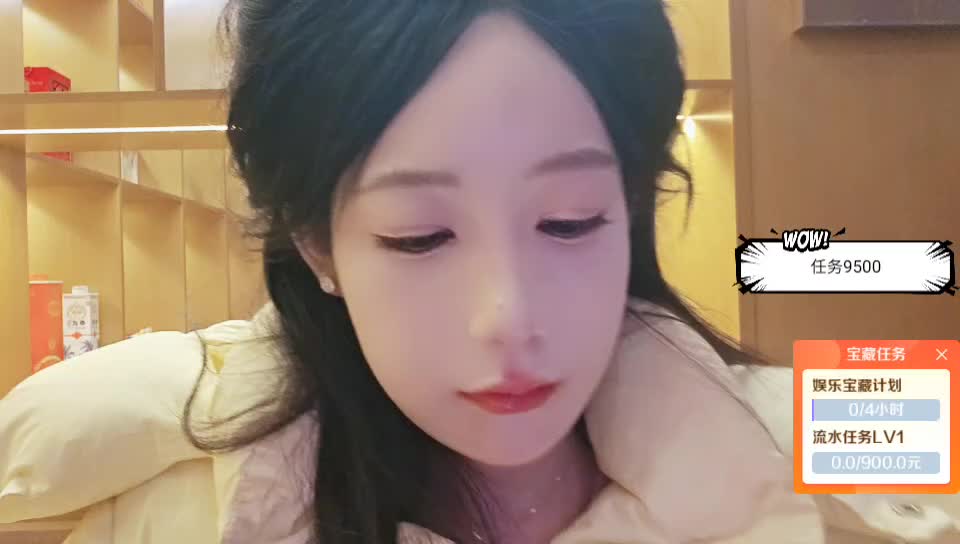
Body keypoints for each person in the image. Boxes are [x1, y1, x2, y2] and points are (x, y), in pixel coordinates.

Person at [12, 1, 956, 543]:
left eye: (570, 220)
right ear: (316, 243)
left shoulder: (805, 423)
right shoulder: (168, 502)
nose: (509, 316)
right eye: (420, 236)